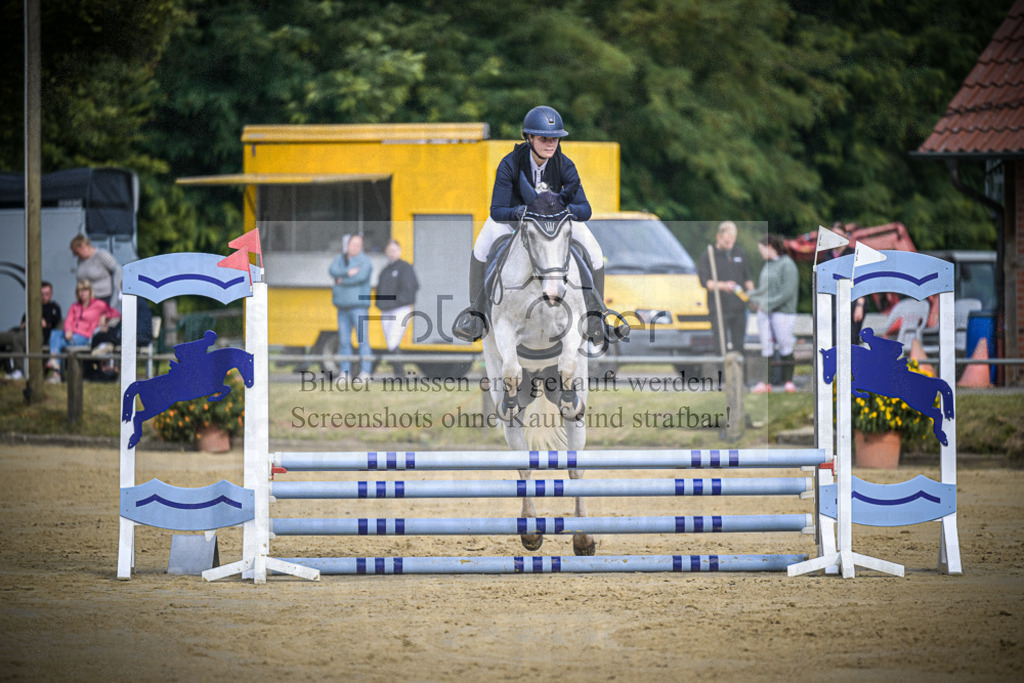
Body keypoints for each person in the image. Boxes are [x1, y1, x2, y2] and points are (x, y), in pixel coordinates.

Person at [452, 105, 627, 345]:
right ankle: (476, 315)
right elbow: (497, 210)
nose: (551, 143)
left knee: (595, 251)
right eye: (544, 138)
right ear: (529, 138)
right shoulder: (510, 164)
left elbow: (585, 209)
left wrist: (561, 210)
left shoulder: (564, 165)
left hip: (555, 225)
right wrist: (520, 212)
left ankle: (596, 318)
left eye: (555, 139)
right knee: (481, 246)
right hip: (514, 221)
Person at [747, 235, 799, 393]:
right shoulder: (767, 266)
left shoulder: (788, 265)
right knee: (766, 346)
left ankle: (788, 381)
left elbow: (787, 292)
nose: (760, 253)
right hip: (765, 312)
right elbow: (762, 290)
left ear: (770, 246)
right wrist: (750, 296)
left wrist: (768, 305)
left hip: (783, 312)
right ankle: (765, 382)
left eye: (761, 249)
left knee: (785, 344)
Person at [46, 279, 120, 383]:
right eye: (80, 290)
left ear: (90, 291)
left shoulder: (98, 305)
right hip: (72, 336)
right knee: (55, 333)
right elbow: (68, 321)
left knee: (58, 341)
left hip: (85, 337)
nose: (83, 293)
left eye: (85, 290)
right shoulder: (74, 306)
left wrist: (104, 317)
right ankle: (55, 366)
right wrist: (68, 330)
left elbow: (116, 313)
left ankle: (56, 370)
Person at [697, 221, 753, 355]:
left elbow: (747, 278)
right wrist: (724, 285)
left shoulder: (739, 252)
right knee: (721, 346)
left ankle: (740, 375)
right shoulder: (708, 255)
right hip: (719, 308)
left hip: (739, 308)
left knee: (739, 346)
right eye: (727, 242)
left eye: (732, 241)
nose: (730, 245)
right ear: (719, 238)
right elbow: (706, 283)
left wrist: (752, 296)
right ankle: (723, 374)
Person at [329, 234, 373, 379]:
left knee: (362, 340)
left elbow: (360, 277)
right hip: (342, 308)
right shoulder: (339, 259)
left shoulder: (365, 261)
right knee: (344, 341)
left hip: (359, 308)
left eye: (357, 245)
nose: (354, 247)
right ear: (347, 245)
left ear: (361, 246)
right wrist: (347, 273)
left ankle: (365, 373)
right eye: (352, 244)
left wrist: (342, 281)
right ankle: (345, 373)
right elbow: (332, 271)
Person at [374, 239, 419, 377]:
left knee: (393, 341)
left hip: (401, 309)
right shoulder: (385, 271)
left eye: (394, 250)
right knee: (390, 344)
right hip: (386, 310)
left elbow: (411, 288)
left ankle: (400, 375)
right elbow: (380, 289)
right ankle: (398, 374)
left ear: (399, 251)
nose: (392, 253)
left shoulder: (405, 268)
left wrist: (395, 302)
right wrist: (380, 304)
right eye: (390, 250)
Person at [0, 281, 62, 379]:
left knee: (17, 339)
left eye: (47, 294)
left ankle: (18, 371)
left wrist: (33, 322)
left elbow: (43, 324)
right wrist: (33, 322)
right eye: (41, 294)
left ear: (51, 294)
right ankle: (7, 368)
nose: (44, 297)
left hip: (39, 337)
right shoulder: (33, 306)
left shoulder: (54, 308)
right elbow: (23, 324)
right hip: (23, 332)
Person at [819, 222, 865, 342]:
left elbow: (861, 281)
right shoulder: (826, 256)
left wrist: (860, 304)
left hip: (853, 303)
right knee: (833, 340)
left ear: (846, 236)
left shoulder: (854, 254)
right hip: (833, 303)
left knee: (851, 340)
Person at [70, 234, 122, 308]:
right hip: (87, 299)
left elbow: (118, 270)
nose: (76, 255)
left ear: (83, 246)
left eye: (77, 252)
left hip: (104, 297)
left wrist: (116, 296)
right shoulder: (80, 260)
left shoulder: (101, 255)